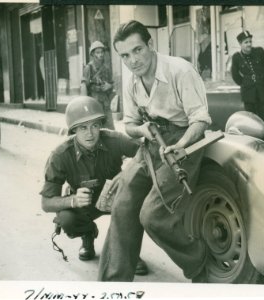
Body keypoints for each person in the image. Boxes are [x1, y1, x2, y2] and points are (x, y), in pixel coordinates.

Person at [97, 20, 212, 283]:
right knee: (123, 205)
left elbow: (201, 120)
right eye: (125, 55)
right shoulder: (131, 82)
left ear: (150, 44)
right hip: (151, 144)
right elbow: (129, 125)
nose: (132, 61)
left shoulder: (179, 70)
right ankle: (113, 285)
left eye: (137, 50)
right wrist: (143, 131)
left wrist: (180, 145)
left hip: (185, 142)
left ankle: (201, 265)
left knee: (152, 215)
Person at [40, 96, 148, 275]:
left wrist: (126, 173)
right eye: (82, 128)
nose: (89, 133)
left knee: (138, 199)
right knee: (67, 219)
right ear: (73, 130)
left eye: (94, 126)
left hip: (117, 198)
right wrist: (73, 201)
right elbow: (46, 203)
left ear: (100, 125)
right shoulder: (60, 156)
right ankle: (88, 234)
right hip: (85, 204)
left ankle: (129, 251)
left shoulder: (114, 140)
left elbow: (146, 152)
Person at [231, 30, 264, 121]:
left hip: (263, 91)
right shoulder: (236, 57)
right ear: (240, 44)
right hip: (248, 94)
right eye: (246, 42)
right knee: (252, 120)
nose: (249, 44)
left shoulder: (259, 51)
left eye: (250, 41)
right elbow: (235, 75)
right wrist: (245, 82)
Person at [81, 41, 115, 129]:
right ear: (93, 54)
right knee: (96, 127)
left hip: (106, 102)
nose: (101, 54)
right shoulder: (89, 68)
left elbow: (112, 85)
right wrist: (85, 105)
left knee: (109, 128)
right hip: (94, 102)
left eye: (102, 52)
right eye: (97, 52)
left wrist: (109, 86)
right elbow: (84, 85)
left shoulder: (106, 68)